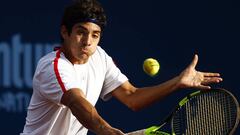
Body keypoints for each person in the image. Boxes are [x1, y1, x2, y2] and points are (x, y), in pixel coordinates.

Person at [21, 0, 223, 134]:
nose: (87, 42)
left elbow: (132, 97)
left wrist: (177, 82)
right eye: (81, 32)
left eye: (95, 34)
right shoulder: (53, 66)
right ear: (65, 32)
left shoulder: (99, 57)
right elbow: (78, 105)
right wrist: (107, 131)